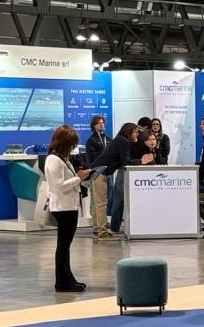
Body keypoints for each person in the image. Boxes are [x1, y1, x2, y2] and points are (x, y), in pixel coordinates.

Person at [45, 126, 91, 292]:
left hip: (69, 205)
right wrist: (78, 178)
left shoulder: (62, 158)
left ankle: (68, 279)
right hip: (63, 206)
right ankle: (62, 282)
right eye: (71, 143)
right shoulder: (54, 160)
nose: (73, 147)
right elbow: (60, 185)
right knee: (63, 245)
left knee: (65, 245)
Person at [91, 122, 152, 234]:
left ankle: (98, 230)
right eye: (135, 132)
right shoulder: (124, 141)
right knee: (101, 203)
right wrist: (141, 161)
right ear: (128, 132)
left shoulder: (120, 140)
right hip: (100, 172)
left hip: (98, 172)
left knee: (99, 203)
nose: (137, 134)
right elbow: (126, 162)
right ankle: (101, 232)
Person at [85, 115, 113, 241]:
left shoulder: (109, 139)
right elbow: (92, 157)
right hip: (97, 173)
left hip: (109, 172)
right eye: (99, 123)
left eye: (102, 123)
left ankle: (100, 226)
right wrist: (106, 153)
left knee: (106, 200)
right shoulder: (91, 140)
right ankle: (99, 229)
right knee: (98, 202)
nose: (101, 125)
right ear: (94, 125)